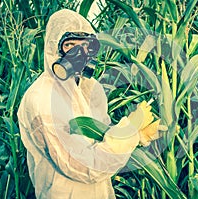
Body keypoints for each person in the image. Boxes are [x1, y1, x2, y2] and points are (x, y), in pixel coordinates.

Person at [17, 9, 162, 199]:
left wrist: (138, 135)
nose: (80, 54)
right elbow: (80, 166)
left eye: (85, 46)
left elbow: (101, 139)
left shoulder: (90, 88)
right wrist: (129, 133)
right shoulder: (41, 99)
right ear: (53, 49)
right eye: (70, 45)